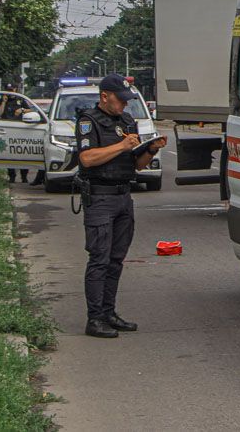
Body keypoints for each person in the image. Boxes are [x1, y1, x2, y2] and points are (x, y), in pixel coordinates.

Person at [75, 73, 167, 338]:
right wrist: (121, 145)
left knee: (116, 260)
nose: (124, 105)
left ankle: (109, 312)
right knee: (100, 259)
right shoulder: (88, 121)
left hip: (123, 196)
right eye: (120, 100)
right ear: (105, 97)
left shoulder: (127, 121)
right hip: (100, 197)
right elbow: (87, 158)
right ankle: (94, 319)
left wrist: (151, 150)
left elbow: (136, 164)